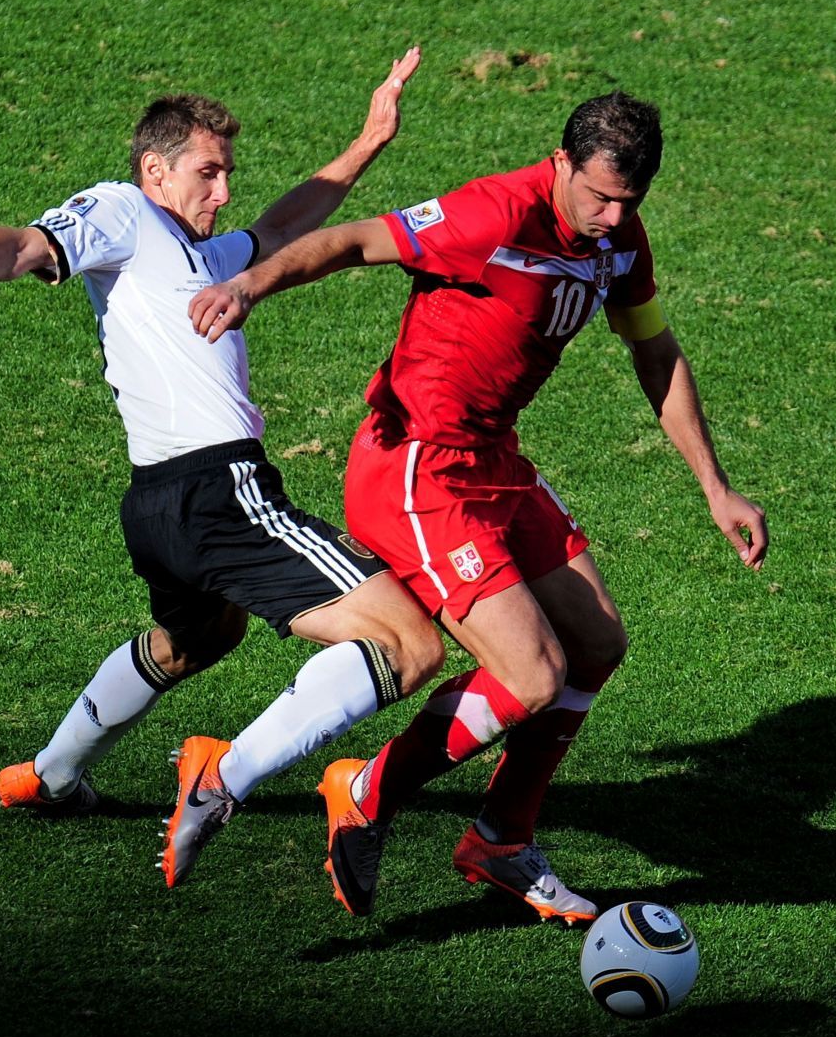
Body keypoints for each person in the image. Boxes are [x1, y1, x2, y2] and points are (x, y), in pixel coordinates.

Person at [0, 48, 445, 889]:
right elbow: (21, 248)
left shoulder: (203, 255)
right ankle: (223, 775)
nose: (221, 191)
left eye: (227, 175)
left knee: (199, 636)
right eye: (207, 172)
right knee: (406, 641)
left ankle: (50, 772)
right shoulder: (123, 212)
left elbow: (286, 224)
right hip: (221, 488)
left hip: (159, 506)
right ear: (155, 170)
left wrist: (368, 142)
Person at [189, 90, 768, 925]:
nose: (610, 217)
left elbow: (655, 350)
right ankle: (364, 786)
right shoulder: (491, 213)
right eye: (598, 195)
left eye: (628, 202)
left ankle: (500, 838)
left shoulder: (619, 242)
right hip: (417, 465)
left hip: (494, 460)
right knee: (532, 674)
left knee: (598, 640)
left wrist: (716, 487)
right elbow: (353, 241)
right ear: (562, 162)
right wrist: (251, 285)